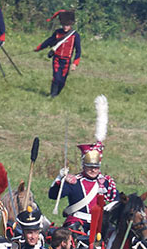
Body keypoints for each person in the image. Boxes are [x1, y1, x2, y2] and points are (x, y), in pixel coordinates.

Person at [48, 97, 118, 234]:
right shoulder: (74, 181)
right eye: (90, 166)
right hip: (77, 223)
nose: (93, 170)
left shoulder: (106, 182)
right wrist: (60, 179)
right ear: (83, 166)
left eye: (96, 167)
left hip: (99, 225)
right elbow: (53, 195)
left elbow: (116, 202)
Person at [34, 10, 81, 97]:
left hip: (67, 61)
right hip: (56, 58)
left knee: (62, 81)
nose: (65, 27)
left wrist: (75, 63)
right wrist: (39, 48)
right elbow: (49, 41)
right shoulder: (57, 32)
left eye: (67, 25)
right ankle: (52, 95)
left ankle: (56, 94)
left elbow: (78, 51)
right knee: (56, 78)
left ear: (71, 24)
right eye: (64, 25)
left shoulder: (75, 35)